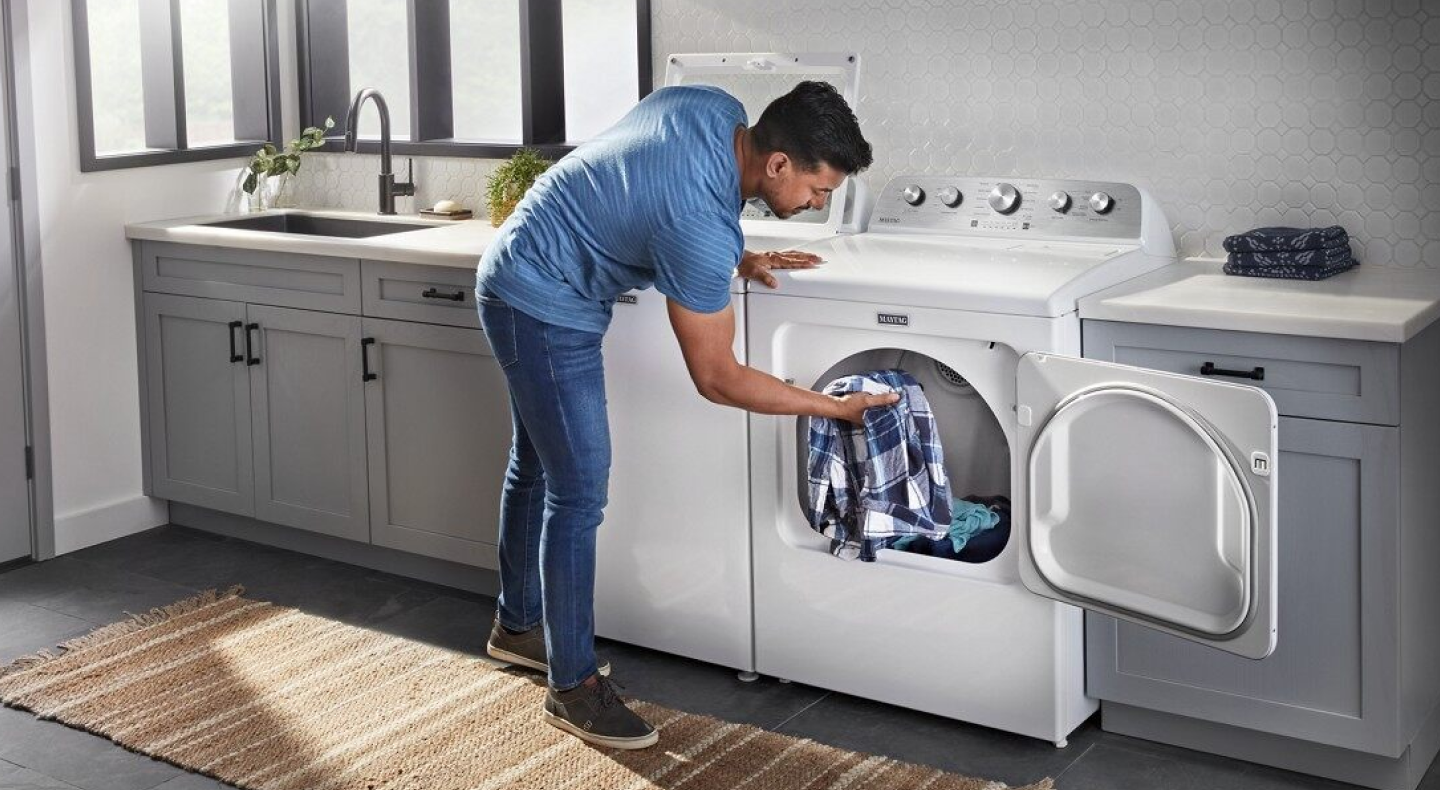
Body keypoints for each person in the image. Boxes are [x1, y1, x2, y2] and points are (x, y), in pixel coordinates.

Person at [474, 80, 888, 750]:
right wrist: (834, 408)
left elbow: (637, 181)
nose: (818, 204)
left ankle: (518, 626)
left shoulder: (712, 108)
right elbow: (717, 380)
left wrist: (735, 256)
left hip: (520, 262)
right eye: (819, 190)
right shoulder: (700, 225)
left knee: (537, 466)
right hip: (543, 301)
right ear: (776, 163)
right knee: (578, 491)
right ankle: (572, 691)